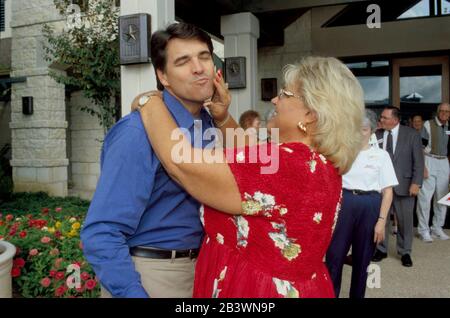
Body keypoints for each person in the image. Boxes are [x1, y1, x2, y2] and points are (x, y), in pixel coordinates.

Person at [133, 56, 365, 297]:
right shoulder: (317, 163)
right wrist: (223, 118)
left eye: (285, 94)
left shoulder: (286, 166)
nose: (275, 99)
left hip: (251, 291)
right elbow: (253, 167)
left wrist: (149, 102)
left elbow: (181, 164)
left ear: (311, 114)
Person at [80, 23, 230, 298]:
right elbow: (102, 230)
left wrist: (223, 120)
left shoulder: (209, 125)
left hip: (204, 269)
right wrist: (131, 292)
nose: (199, 68)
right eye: (183, 61)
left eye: (204, 56)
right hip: (154, 274)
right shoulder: (137, 133)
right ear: (163, 76)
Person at [326, 109, 398, 298]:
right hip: (345, 202)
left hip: (370, 204)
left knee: (362, 259)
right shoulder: (341, 153)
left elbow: (388, 191)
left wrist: (381, 221)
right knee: (335, 255)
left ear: (372, 131)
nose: (359, 134)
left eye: (364, 130)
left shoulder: (381, 156)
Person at [372, 106, 424, 267]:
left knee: (405, 222)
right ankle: (381, 249)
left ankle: (405, 252)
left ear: (395, 120)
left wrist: (417, 182)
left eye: (384, 118)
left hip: (405, 185)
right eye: (381, 117)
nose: (381, 120)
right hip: (381, 186)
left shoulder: (412, 135)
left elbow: (419, 161)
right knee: (382, 220)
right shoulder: (376, 135)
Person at [416, 103, 450, 242]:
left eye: (447, 111)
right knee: (425, 197)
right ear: (437, 112)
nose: (444, 113)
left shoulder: (449, 127)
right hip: (429, 160)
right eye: (441, 111)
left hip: (444, 162)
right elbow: (420, 147)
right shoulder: (428, 125)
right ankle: (423, 230)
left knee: (443, 197)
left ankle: (437, 228)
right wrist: (423, 167)